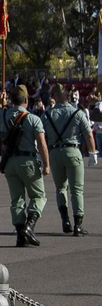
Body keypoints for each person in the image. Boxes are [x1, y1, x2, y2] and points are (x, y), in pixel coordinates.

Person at [0, 86, 51, 245]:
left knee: (17, 199)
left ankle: (21, 236)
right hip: (28, 161)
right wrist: (47, 164)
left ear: (12, 100)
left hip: (10, 162)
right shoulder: (33, 119)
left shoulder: (3, 115)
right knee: (38, 196)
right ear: (26, 100)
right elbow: (42, 144)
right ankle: (29, 226)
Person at [41, 83, 95, 236]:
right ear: (67, 96)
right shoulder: (77, 113)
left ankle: (65, 220)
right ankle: (78, 225)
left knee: (60, 188)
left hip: (55, 154)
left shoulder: (47, 115)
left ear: (54, 97)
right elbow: (88, 134)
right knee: (77, 190)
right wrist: (93, 153)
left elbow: (40, 136)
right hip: (72, 151)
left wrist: (42, 156)